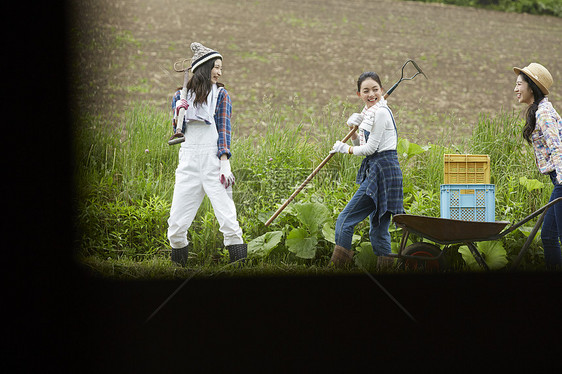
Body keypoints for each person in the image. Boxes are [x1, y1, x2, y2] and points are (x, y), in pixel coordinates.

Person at [167, 42, 246, 266]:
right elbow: (177, 133)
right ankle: (178, 269)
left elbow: (224, 130)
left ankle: (239, 268)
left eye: (221, 68)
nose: (220, 72)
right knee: (176, 226)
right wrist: (178, 112)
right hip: (188, 163)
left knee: (229, 220)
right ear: (204, 67)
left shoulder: (221, 95)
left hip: (214, 162)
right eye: (217, 67)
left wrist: (224, 162)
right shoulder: (180, 96)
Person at [329, 71, 404, 269]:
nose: (371, 94)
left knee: (345, 220)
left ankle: (337, 270)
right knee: (378, 230)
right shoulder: (369, 113)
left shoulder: (380, 112)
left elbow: (370, 149)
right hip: (384, 169)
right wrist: (354, 128)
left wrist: (346, 149)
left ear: (381, 90)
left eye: (375, 89)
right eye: (366, 91)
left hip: (383, 170)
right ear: (359, 94)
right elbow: (363, 145)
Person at [514, 62, 562, 270]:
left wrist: (561, 180)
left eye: (518, 84)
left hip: (561, 179)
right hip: (558, 179)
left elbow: (557, 148)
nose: (515, 89)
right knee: (548, 236)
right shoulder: (539, 110)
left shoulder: (543, 114)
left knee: (556, 236)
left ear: (531, 86)